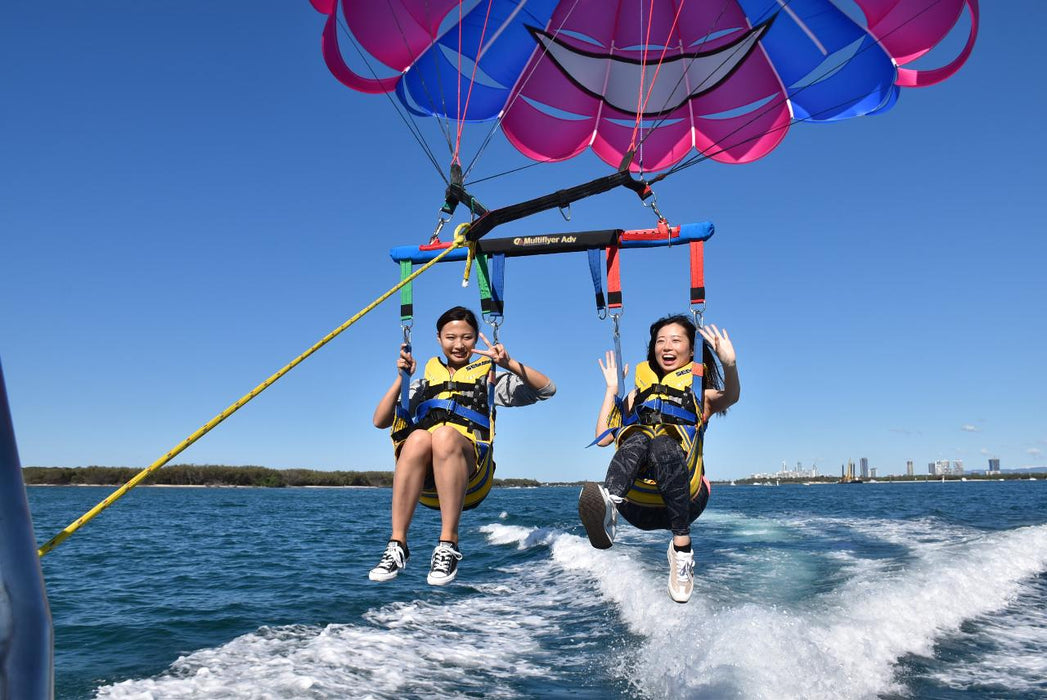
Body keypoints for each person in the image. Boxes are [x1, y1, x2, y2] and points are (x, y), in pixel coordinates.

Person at [371, 306, 555, 585]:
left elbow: (546, 390)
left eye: (467, 337)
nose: (459, 345)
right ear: (438, 339)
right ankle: (397, 545)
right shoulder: (422, 383)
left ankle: (448, 544)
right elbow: (380, 420)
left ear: (475, 338)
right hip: (426, 482)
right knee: (418, 437)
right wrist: (402, 379)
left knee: (444, 434)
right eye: (451, 337)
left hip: (471, 475)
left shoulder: (489, 377)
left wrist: (508, 364)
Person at [579, 314, 739, 603]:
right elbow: (604, 437)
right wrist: (612, 390)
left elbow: (732, 396)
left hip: (684, 504)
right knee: (639, 437)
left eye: (676, 340)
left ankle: (681, 549)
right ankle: (608, 508)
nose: (667, 346)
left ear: (692, 351)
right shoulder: (637, 395)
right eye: (660, 341)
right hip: (635, 505)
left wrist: (729, 364)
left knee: (663, 443)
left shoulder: (700, 394)